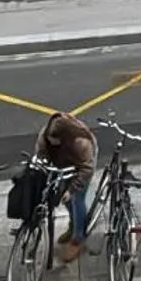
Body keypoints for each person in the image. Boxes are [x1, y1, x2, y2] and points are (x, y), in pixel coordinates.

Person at [34, 110, 97, 262]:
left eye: (56, 140)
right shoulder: (46, 136)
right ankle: (74, 222)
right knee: (63, 196)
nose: (52, 142)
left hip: (81, 164)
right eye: (50, 140)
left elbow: (86, 170)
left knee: (76, 199)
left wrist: (72, 189)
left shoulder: (81, 143)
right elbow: (41, 155)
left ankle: (78, 238)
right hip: (62, 162)